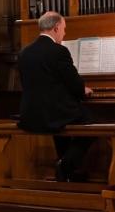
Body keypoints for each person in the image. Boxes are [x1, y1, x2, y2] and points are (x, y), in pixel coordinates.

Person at [17, 11, 94, 182]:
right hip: (53, 113)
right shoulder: (59, 51)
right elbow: (74, 84)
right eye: (64, 29)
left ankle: (66, 172)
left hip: (30, 114)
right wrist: (84, 89)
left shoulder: (24, 52)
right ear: (56, 28)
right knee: (92, 124)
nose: (64, 33)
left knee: (61, 120)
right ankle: (66, 165)